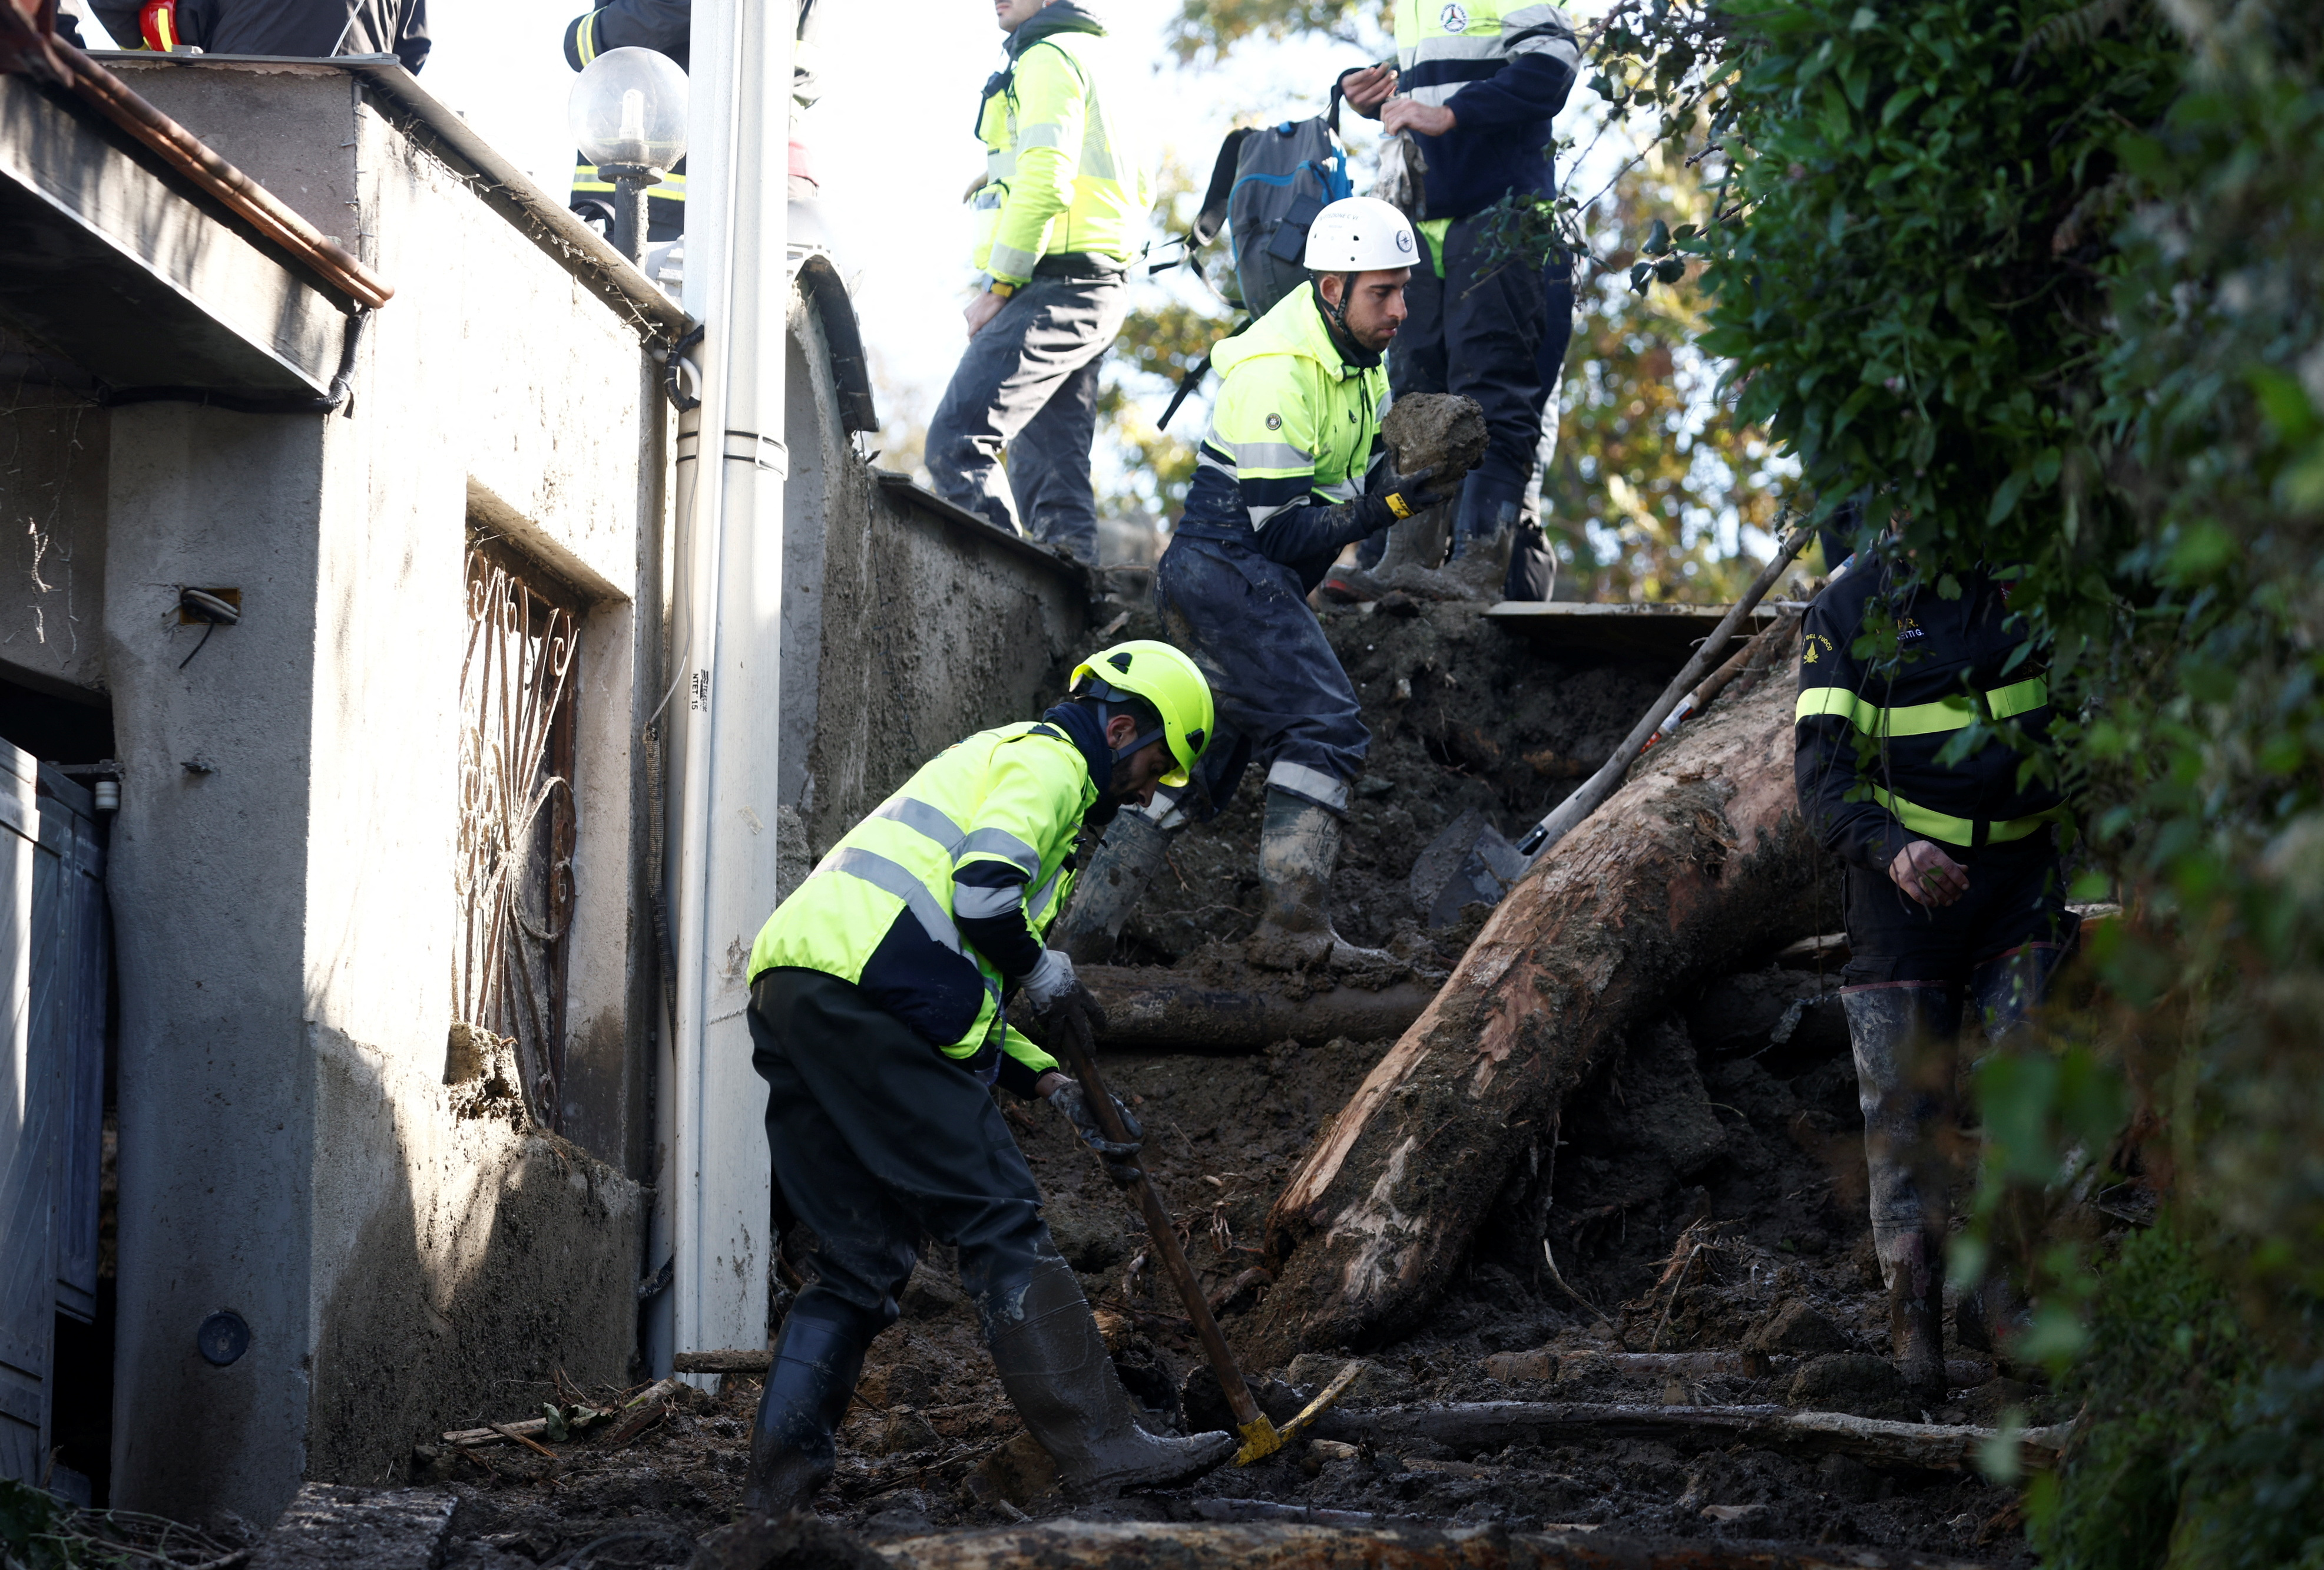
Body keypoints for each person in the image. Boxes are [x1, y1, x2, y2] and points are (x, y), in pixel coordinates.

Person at [738, 640, 1234, 1513]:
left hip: (804, 991)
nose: (1151, 789)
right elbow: (983, 897)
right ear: (1120, 727)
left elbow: (956, 974)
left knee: (857, 1261)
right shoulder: (1047, 764)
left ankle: (776, 1500)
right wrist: (1044, 972)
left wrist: (1052, 1082)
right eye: (1155, 764)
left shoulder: (1000, 762)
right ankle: (1103, 1445)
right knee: (998, 1214)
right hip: (873, 996)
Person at [1056, 198, 1448, 969]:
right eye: (1383, 292)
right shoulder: (1277, 370)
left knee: (1193, 767)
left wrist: (1407, 477)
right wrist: (1393, 506)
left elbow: (1362, 475)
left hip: (1235, 580)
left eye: (1404, 290)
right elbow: (1286, 532)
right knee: (1327, 726)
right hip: (1229, 571)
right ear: (1332, 289)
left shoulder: (1359, 359)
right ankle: (1293, 931)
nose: (1401, 309)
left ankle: (1081, 938)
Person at [1794, 538, 2072, 1396]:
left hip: (2020, 882)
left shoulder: (2028, 580)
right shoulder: (1849, 609)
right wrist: (1893, 851)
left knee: (2026, 1084)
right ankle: (1912, 1325)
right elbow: (1823, 777)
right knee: (1906, 1112)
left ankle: (2006, 1304)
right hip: (1900, 893)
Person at [1333, 1, 1582, 601]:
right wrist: (1373, 98)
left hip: (1501, 211)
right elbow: (1445, 80)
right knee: (1416, 399)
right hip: (1419, 221)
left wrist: (1451, 113)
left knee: (1492, 388)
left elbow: (1554, 63)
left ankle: (1478, 564)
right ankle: (1404, 559)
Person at [921, 0, 1150, 566]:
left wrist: (998, 287)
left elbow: (1048, 183)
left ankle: (1002, 600)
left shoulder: (1046, 56)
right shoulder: (1098, 56)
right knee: (1054, 482)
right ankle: (1075, 622)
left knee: (957, 445)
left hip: (1056, 285)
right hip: (1098, 287)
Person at [94, 0, 427, 69]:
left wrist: (149, 61)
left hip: (239, 102)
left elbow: (111, 3)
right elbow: (412, 52)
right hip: (356, 122)